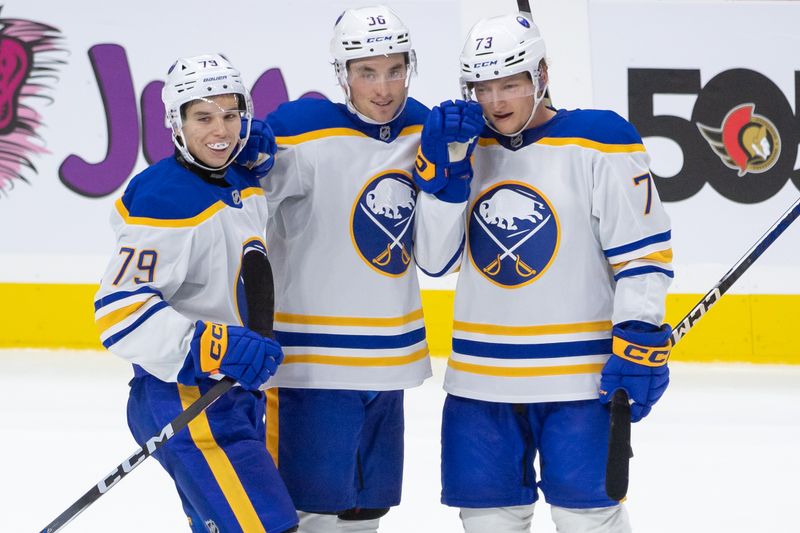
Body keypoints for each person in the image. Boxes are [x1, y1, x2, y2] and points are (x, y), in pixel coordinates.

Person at [413, 13, 674, 533]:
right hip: (480, 379)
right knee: (488, 520)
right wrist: (445, 179)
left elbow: (642, 253)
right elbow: (434, 260)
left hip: (579, 380)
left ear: (542, 74)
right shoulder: (463, 146)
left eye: (509, 83)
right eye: (481, 87)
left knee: (588, 518)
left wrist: (639, 330)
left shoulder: (601, 140)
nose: (495, 101)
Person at [242, 5, 468, 532]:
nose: (384, 88)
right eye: (367, 72)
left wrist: (443, 175)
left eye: (395, 70)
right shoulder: (298, 131)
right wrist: (246, 162)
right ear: (342, 73)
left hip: (389, 358)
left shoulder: (425, 128)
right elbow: (243, 224)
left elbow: (435, 260)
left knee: (368, 509)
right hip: (311, 363)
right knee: (310, 510)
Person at [93, 54, 298, 533]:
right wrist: (213, 344)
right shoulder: (163, 198)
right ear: (177, 124)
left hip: (234, 396)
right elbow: (118, 313)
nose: (220, 130)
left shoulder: (240, 180)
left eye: (230, 115)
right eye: (203, 117)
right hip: (185, 398)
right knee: (268, 526)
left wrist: (266, 157)